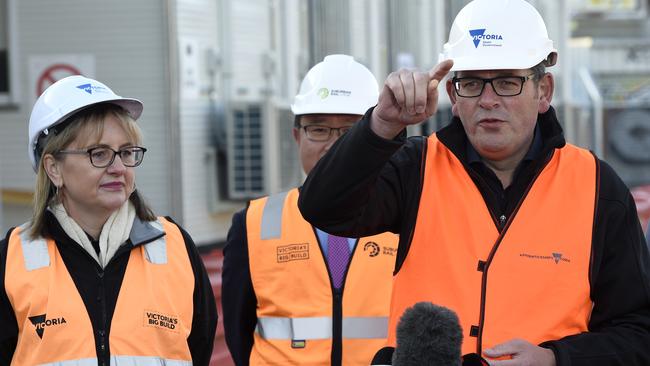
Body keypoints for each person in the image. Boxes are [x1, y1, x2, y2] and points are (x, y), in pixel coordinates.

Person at [298, 1, 650, 365]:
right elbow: (322, 208)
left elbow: (638, 333)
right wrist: (382, 125)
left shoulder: (597, 187)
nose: (488, 100)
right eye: (471, 83)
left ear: (543, 90)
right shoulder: (413, 168)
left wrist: (555, 359)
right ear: (452, 95)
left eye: (507, 82)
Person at [0, 75, 218, 365]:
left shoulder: (177, 248)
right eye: (99, 154)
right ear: (53, 168)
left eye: (126, 152)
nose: (118, 167)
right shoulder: (11, 261)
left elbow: (199, 350)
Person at [221, 54, 399, 366]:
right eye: (318, 129)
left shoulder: (405, 216)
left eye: (349, 132)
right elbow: (239, 335)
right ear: (296, 136)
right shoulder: (254, 223)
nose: (332, 146)